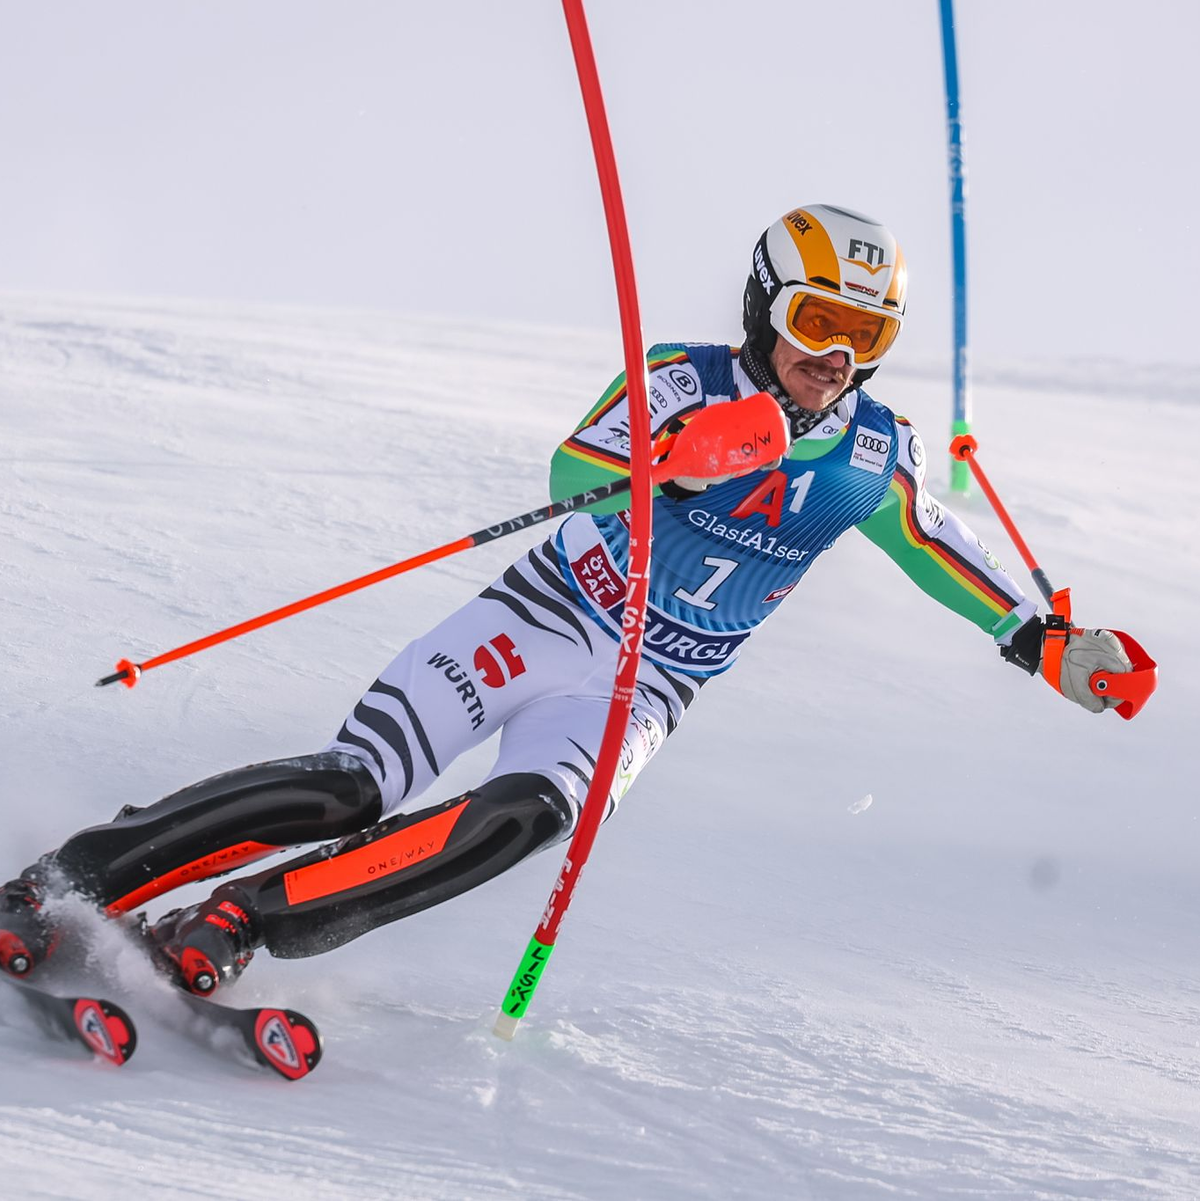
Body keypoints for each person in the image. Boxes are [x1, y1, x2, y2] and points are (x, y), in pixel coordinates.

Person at [0, 204, 1141, 995]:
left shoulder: (873, 450)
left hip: (647, 687)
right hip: (543, 618)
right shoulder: (682, 378)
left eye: (865, 335)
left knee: (521, 820)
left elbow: (938, 546)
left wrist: (1046, 641)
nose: (834, 357)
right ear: (767, 307)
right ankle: (65, 881)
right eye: (817, 324)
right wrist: (682, 455)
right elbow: (570, 471)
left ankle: (241, 918)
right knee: (357, 784)